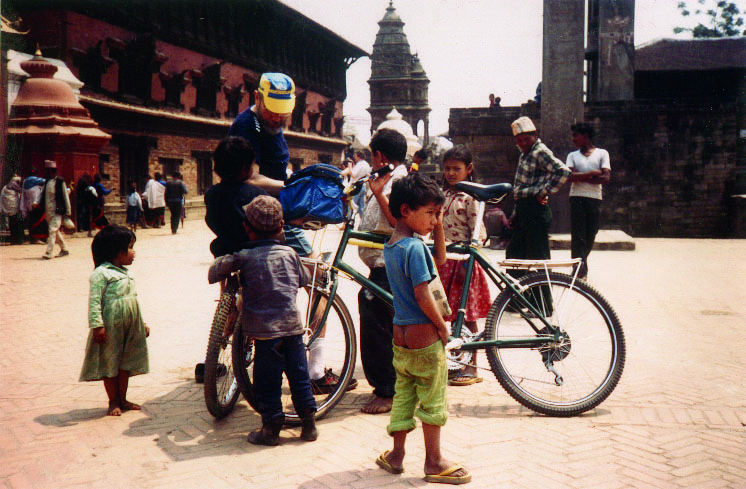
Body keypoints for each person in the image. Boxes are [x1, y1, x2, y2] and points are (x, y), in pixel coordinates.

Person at [228, 72, 346, 392]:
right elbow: (249, 176)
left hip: (261, 213)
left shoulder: (266, 125)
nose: (279, 116)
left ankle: (220, 352)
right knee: (319, 281)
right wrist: (292, 188)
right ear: (256, 98)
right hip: (265, 216)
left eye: (285, 110)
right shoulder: (247, 127)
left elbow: (272, 167)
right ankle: (316, 371)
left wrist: (289, 178)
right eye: (273, 109)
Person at [376, 173, 471, 485]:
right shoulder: (415, 250)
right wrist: (443, 328)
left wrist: (439, 225)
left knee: (404, 393)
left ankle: (396, 455)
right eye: (430, 214)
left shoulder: (394, 245)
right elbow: (423, 293)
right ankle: (433, 460)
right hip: (423, 334)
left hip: (401, 334)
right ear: (406, 211)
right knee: (432, 397)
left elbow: (439, 258)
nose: (434, 220)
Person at [208, 196, 317, 445]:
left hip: (266, 337)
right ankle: (309, 426)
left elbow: (215, 272)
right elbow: (304, 278)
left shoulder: (244, 257)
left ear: (247, 228)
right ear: (281, 227)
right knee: (300, 379)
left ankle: (270, 429)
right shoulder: (290, 253)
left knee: (267, 384)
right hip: (293, 331)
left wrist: (223, 262)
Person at [358, 128, 410, 415]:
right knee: (381, 322)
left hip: (387, 264)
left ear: (379, 156)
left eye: (372, 155)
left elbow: (396, 221)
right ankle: (389, 385)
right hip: (381, 264)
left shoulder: (397, 181)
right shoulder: (390, 178)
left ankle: (387, 391)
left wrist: (378, 194)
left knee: (379, 325)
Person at [79, 225, 150, 416]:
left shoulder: (126, 273)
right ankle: (113, 401)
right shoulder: (101, 273)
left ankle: (123, 398)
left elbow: (133, 299)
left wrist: (141, 324)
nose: (133, 252)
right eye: (130, 247)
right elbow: (94, 301)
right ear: (116, 251)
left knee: (125, 363)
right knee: (110, 363)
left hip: (129, 326)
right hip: (110, 327)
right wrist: (97, 325)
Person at [438, 145, 491, 386]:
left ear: (468, 169)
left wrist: (469, 259)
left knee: (466, 317)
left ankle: (470, 366)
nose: (450, 173)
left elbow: (479, 234)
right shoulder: (442, 194)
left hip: (463, 264)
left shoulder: (472, 198)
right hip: (444, 262)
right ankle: (454, 362)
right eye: (447, 168)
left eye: (456, 169)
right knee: (447, 315)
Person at [506, 117, 570, 276]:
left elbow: (563, 171)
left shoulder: (540, 152)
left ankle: (543, 301)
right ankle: (518, 300)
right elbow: (521, 185)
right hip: (524, 210)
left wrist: (543, 192)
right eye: (519, 141)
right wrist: (515, 213)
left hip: (535, 212)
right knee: (515, 256)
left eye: (526, 139)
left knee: (538, 261)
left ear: (535, 135)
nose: (522, 143)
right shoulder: (524, 155)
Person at [205, 136, 267, 258]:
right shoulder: (257, 194)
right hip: (254, 253)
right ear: (245, 169)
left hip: (226, 250)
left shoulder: (211, 193)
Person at [566, 122, 611, 279]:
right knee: (578, 235)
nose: (573, 139)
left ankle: (580, 264)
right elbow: (569, 177)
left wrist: (582, 176)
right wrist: (592, 173)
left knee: (591, 234)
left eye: (575, 135)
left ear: (585, 136)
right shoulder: (572, 156)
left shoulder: (602, 153)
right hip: (576, 198)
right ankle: (579, 271)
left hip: (594, 199)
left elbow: (606, 178)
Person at [40, 160, 72, 260]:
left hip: (57, 211)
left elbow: (65, 196)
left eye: (48, 171)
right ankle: (64, 249)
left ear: (51, 171)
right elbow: (42, 194)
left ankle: (49, 252)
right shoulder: (47, 181)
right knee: (55, 231)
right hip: (48, 211)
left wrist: (67, 211)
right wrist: (36, 203)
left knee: (52, 230)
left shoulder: (60, 181)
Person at [21, 168, 47, 243]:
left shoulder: (26, 180)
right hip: (35, 204)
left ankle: (34, 238)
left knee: (33, 221)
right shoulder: (32, 179)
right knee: (39, 221)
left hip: (30, 204)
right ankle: (38, 238)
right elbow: (45, 181)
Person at [341, 150, 371, 217]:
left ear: (358, 156)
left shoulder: (359, 164)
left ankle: (347, 222)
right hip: (363, 185)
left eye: (355, 156)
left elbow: (353, 174)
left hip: (356, 186)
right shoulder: (367, 164)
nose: (354, 157)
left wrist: (350, 167)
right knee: (361, 207)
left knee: (352, 206)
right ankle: (363, 221)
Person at [1, 176, 24, 244]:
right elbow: (21, 192)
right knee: (17, 224)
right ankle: (17, 240)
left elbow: (3, 197)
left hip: (9, 209)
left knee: (11, 224)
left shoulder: (5, 188)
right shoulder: (15, 187)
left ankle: (13, 239)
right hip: (15, 209)